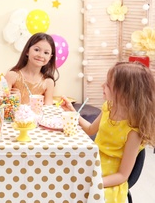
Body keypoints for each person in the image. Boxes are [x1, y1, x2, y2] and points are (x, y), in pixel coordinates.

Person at [61, 62, 155, 202]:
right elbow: (90, 129)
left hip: (107, 179)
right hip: (92, 161)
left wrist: (93, 183)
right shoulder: (109, 108)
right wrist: (73, 113)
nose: (102, 86)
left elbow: (122, 175)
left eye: (108, 84)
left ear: (125, 93)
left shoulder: (133, 131)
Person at [4, 33, 59, 105]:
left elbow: (48, 111)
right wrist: (15, 101)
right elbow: (3, 107)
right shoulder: (11, 76)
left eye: (46, 53)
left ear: (50, 57)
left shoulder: (48, 82)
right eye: (37, 50)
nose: (41, 55)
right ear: (27, 51)